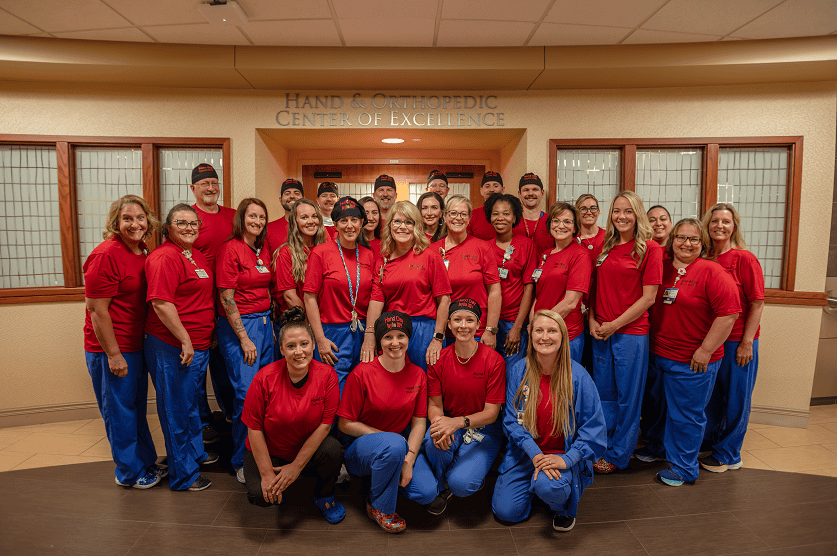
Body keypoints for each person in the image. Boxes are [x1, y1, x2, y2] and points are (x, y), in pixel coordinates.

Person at [640, 219, 739, 486]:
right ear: (672, 241)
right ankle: (658, 449)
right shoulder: (662, 268)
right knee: (659, 410)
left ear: (703, 243)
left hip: (692, 361)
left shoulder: (712, 272)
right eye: (681, 238)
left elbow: (729, 315)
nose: (687, 244)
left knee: (686, 416)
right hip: (659, 355)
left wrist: (706, 350)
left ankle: (684, 468)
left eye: (694, 239)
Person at [492, 310, 606, 532]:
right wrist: (534, 454)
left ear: (562, 337)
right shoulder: (519, 370)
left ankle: (561, 502)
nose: (545, 337)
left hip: (562, 456)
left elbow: (594, 430)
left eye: (552, 331)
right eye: (539, 330)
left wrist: (569, 459)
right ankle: (537, 482)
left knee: (551, 488)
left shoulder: (579, 377)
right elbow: (511, 421)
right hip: (528, 454)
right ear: (531, 335)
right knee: (506, 512)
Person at [84, 195, 165, 489]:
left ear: (149, 221)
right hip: (111, 348)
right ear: (116, 222)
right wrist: (113, 354)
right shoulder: (106, 254)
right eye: (127, 219)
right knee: (119, 411)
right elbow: (96, 309)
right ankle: (129, 473)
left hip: (135, 344)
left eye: (140, 218)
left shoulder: (142, 250)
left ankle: (145, 462)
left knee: (134, 408)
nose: (135, 224)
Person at [241, 307, 345, 523]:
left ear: (313, 345)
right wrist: (268, 473)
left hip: (306, 449)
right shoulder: (264, 378)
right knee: (261, 496)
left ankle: (324, 495)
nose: (299, 352)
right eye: (291, 346)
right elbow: (254, 428)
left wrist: (296, 467)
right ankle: (281, 482)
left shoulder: (327, 376)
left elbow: (325, 426)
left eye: (304, 344)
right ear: (282, 350)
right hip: (271, 451)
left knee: (333, 449)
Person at [338, 312, 438, 533]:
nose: (395, 343)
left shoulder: (418, 374)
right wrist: (385, 440)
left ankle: (379, 480)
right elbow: (345, 423)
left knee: (427, 492)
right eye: (388, 337)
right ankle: (380, 507)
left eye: (400, 336)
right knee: (392, 445)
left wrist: (409, 460)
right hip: (362, 450)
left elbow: (420, 422)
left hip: (400, 449)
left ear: (408, 339)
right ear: (379, 341)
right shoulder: (362, 373)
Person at [588, 191, 662, 474]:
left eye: (628, 211)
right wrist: (593, 320)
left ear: (637, 214)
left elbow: (649, 298)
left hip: (629, 334)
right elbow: (594, 290)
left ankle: (619, 455)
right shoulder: (604, 248)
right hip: (601, 332)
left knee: (628, 397)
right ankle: (601, 447)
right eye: (617, 211)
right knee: (604, 395)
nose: (621, 216)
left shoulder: (649, 249)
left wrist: (614, 325)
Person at [144, 204, 217, 491]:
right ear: (168, 227)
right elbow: (161, 303)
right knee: (176, 409)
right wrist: (185, 339)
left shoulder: (194, 255)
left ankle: (195, 453)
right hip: (172, 347)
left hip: (197, 346)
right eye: (181, 223)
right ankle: (183, 474)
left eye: (193, 223)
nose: (189, 228)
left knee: (190, 406)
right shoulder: (163, 257)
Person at [423, 298, 505, 515]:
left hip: (483, 428)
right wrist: (440, 424)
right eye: (457, 320)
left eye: (470, 320)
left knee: (462, 484)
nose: (463, 325)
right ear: (449, 324)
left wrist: (456, 423)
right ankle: (442, 486)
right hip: (450, 420)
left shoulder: (494, 361)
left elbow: (492, 413)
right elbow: (434, 404)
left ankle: (456, 479)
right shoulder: (438, 359)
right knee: (433, 443)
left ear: (478, 325)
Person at [700, 204, 765, 473]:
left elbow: (757, 303)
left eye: (725, 222)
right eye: (714, 221)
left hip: (738, 341)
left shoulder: (744, 259)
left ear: (734, 226)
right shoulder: (704, 259)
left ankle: (729, 454)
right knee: (713, 397)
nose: (719, 226)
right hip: (713, 341)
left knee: (737, 399)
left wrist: (747, 342)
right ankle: (714, 443)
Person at [216, 198, 275, 484]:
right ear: (242, 218)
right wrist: (244, 338)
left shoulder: (263, 248)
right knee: (246, 395)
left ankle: (261, 453)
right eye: (252, 216)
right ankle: (240, 459)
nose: (257, 221)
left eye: (262, 217)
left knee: (267, 394)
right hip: (242, 329)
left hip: (266, 325)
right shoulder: (230, 249)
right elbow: (226, 296)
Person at [363, 201, 452, 371]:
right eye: (397, 221)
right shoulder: (383, 259)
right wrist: (369, 336)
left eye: (408, 222)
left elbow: (445, 300)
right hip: (392, 329)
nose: (402, 227)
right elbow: (376, 301)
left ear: (416, 226)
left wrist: (438, 339)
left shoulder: (429, 256)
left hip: (423, 330)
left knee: (424, 382)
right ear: (389, 226)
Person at [304, 197, 375, 392]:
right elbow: (309, 298)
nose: (349, 225)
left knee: (361, 387)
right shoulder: (321, 253)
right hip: (332, 332)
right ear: (335, 224)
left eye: (354, 220)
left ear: (362, 222)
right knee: (335, 389)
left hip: (361, 331)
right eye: (344, 221)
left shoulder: (368, 254)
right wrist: (319, 339)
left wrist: (370, 335)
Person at [189, 163, 235, 444]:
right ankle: (203, 421)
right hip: (197, 306)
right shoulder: (187, 218)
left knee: (223, 365)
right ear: (193, 188)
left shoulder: (232, 217)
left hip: (228, 305)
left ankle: (230, 414)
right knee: (196, 370)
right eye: (203, 183)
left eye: (214, 182)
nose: (210, 188)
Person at [433, 194, 502, 348]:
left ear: (469, 218)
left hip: (477, 330)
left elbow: (495, 291)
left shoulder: (483, 248)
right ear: (444, 216)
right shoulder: (433, 250)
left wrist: (490, 330)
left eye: (463, 214)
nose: (458, 218)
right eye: (453, 213)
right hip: (443, 331)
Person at [531, 203, 591, 364]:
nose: (560, 226)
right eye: (556, 221)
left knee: (564, 386)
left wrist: (541, 325)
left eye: (567, 222)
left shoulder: (580, 255)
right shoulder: (546, 255)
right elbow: (539, 295)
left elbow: (570, 302)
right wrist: (532, 324)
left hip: (566, 335)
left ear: (575, 227)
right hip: (541, 334)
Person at [272, 199, 327, 361]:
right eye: (304, 217)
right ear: (294, 222)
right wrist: (312, 324)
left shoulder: (326, 247)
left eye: (314, 216)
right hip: (301, 323)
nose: (310, 221)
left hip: (326, 323)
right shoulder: (285, 253)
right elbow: (290, 297)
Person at [486, 193, 536, 367]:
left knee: (513, 371)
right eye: (495, 213)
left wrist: (517, 327)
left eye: (506, 213)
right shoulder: (484, 247)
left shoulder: (527, 245)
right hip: (488, 322)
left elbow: (529, 287)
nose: (500, 218)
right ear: (489, 217)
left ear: (514, 217)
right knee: (490, 371)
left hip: (514, 321)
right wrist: (488, 327)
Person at [513, 173, 553, 255]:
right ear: (519, 194)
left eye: (535, 189)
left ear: (542, 193)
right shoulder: (511, 221)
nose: (530, 193)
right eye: (526, 190)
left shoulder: (552, 222)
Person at [265, 178, 304, 251]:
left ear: (303, 199)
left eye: (297, 193)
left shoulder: (312, 227)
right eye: (287, 193)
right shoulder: (268, 229)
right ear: (280, 200)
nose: (292, 196)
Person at [466, 170, 504, 241]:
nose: (491, 190)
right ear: (481, 190)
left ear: (503, 190)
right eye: (487, 186)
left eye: (496, 186)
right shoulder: (473, 215)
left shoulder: (511, 213)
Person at [575, 193, 606, 263]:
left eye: (593, 208)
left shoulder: (608, 237)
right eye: (583, 209)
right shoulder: (572, 239)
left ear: (598, 212)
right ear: (577, 213)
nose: (589, 212)